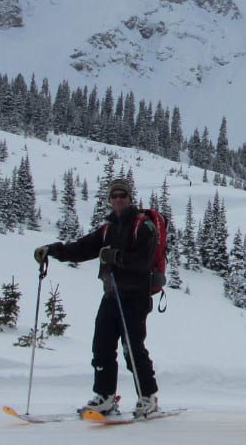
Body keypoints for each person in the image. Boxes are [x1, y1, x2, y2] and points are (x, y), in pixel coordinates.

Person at [34, 178, 160, 417]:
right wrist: (52, 250)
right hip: (112, 296)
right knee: (101, 346)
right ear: (109, 200)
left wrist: (116, 257)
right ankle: (105, 397)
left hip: (135, 297)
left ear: (130, 198)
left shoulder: (143, 226)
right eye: (114, 196)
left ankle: (148, 397)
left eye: (122, 195)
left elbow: (143, 261)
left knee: (132, 349)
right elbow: (81, 248)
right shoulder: (108, 229)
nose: (118, 199)